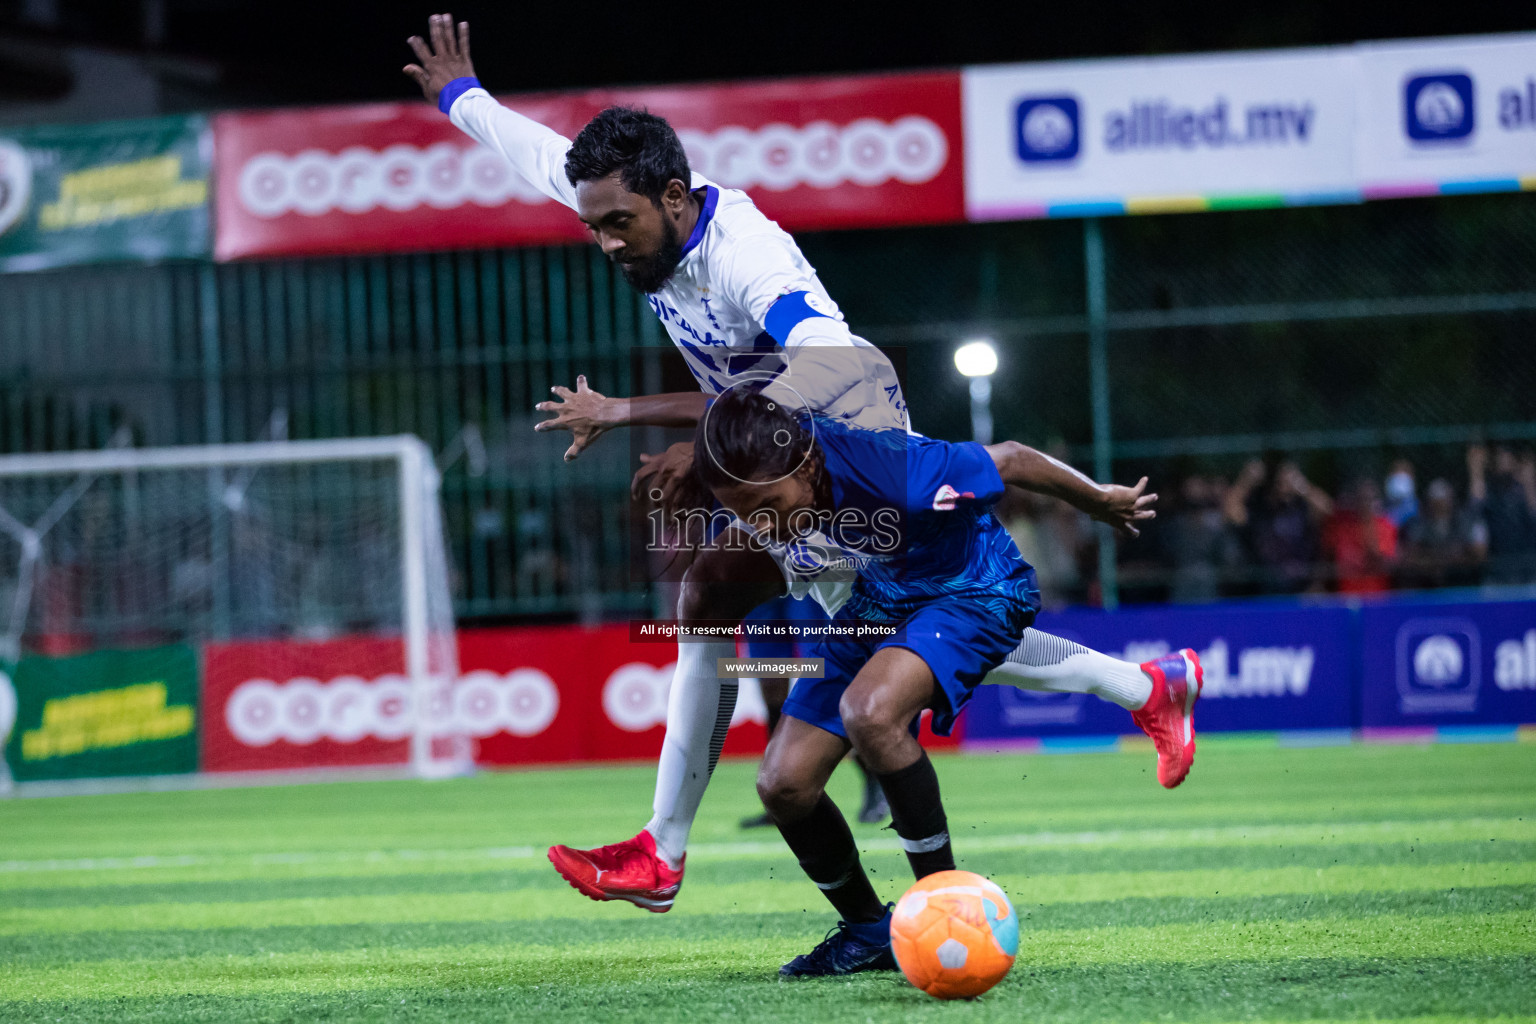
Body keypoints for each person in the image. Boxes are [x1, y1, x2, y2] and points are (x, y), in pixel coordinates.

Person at [404, 14, 1197, 916]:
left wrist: (681, 433)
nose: (609, 243)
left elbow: (834, 364)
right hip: (763, 462)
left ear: (673, 195)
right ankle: (661, 853)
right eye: (595, 228)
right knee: (713, 599)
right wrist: (461, 97)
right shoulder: (618, 198)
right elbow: (531, 148)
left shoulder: (750, 254)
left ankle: (1141, 690)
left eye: (621, 224)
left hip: (848, 454)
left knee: (902, 641)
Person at [691, 386, 1198, 976]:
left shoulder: (899, 475)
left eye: (768, 507)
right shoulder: (775, 472)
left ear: (806, 468)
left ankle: (947, 904)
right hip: (881, 599)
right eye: (745, 514)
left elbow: (1009, 458)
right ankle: (869, 933)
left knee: (872, 711)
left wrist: (1098, 501)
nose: (762, 527)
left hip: (976, 591)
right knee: (783, 785)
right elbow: (712, 411)